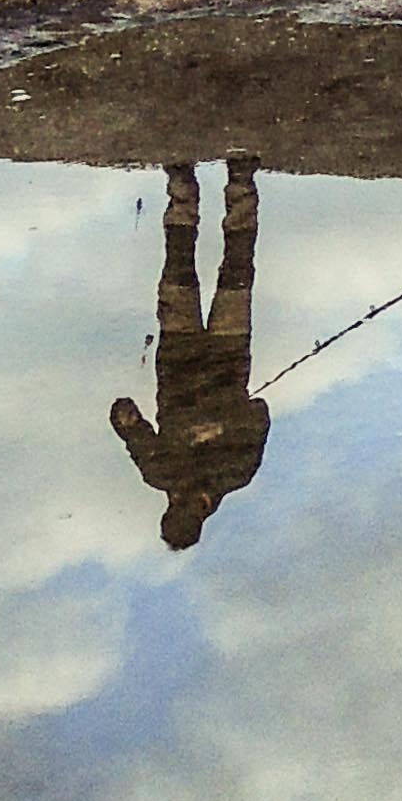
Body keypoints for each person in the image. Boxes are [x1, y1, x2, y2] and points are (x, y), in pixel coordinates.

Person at [110, 159, 271, 547]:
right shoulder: (237, 472)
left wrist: (125, 421)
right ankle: (241, 183)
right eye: (184, 500)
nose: (175, 492)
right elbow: (260, 412)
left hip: (177, 348)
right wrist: (220, 425)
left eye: (172, 500)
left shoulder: (160, 472)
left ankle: (182, 186)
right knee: (237, 266)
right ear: (203, 507)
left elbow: (124, 415)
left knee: (178, 262)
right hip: (229, 348)